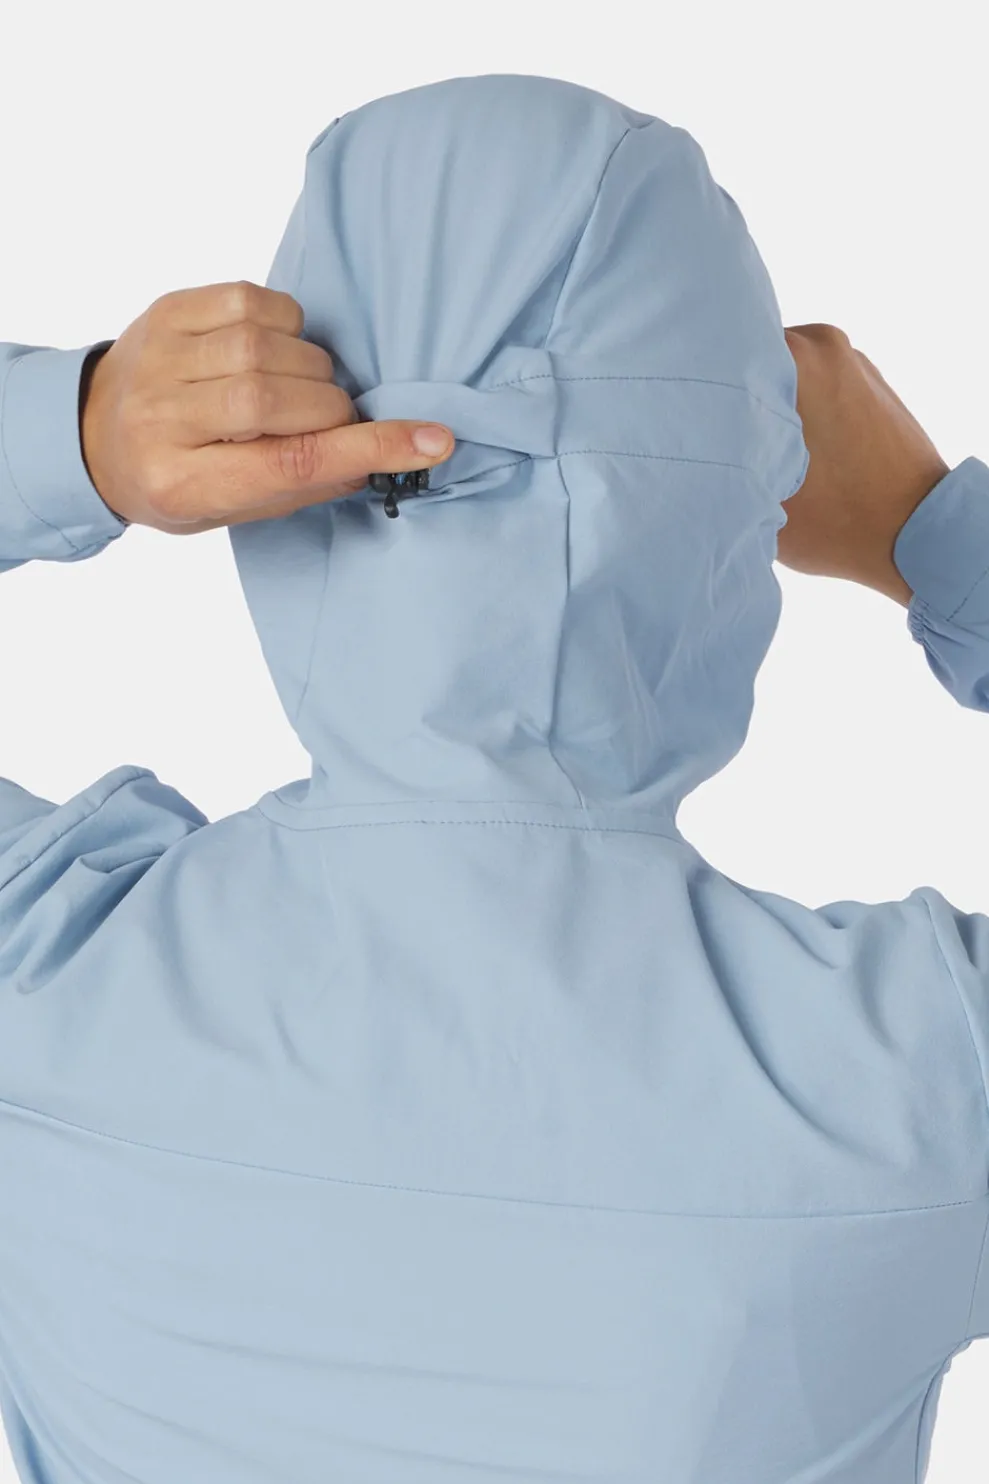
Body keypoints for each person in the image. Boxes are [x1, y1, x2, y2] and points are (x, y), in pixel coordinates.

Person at [0, 72, 986, 1484]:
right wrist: (927, 527)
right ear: (730, 514)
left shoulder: (46, 982)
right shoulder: (914, 1083)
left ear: (255, 489)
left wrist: (75, 433)